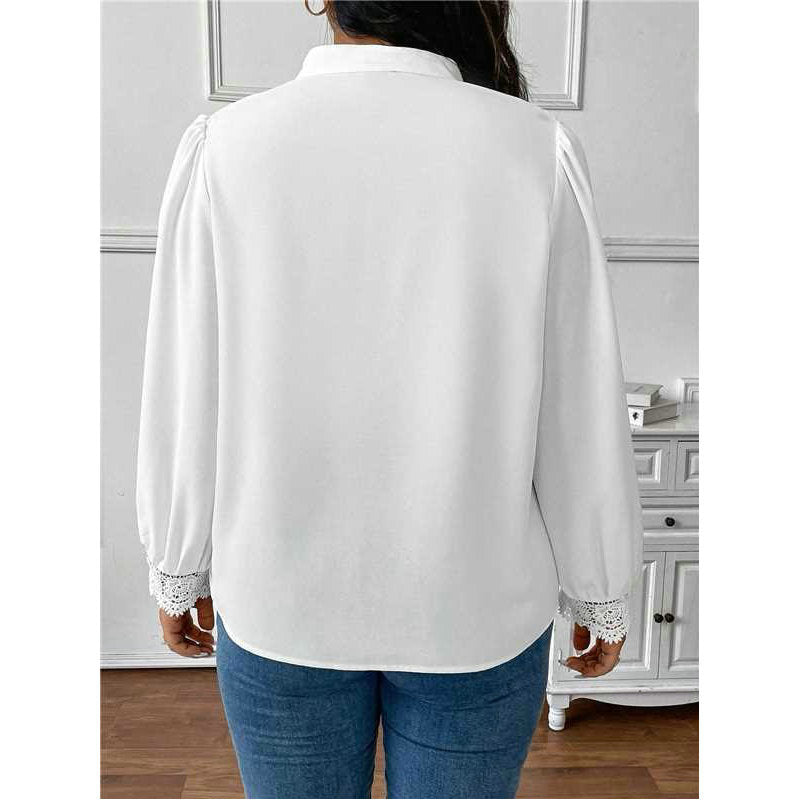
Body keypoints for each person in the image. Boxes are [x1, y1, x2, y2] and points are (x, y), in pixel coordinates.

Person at [135, 1, 643, 797]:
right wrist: (599, 583)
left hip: (281, 598)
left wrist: (178, 560)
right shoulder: (531, 148)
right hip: (475, 604)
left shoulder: (227, 146)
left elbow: (187, 379)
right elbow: (575, 404)